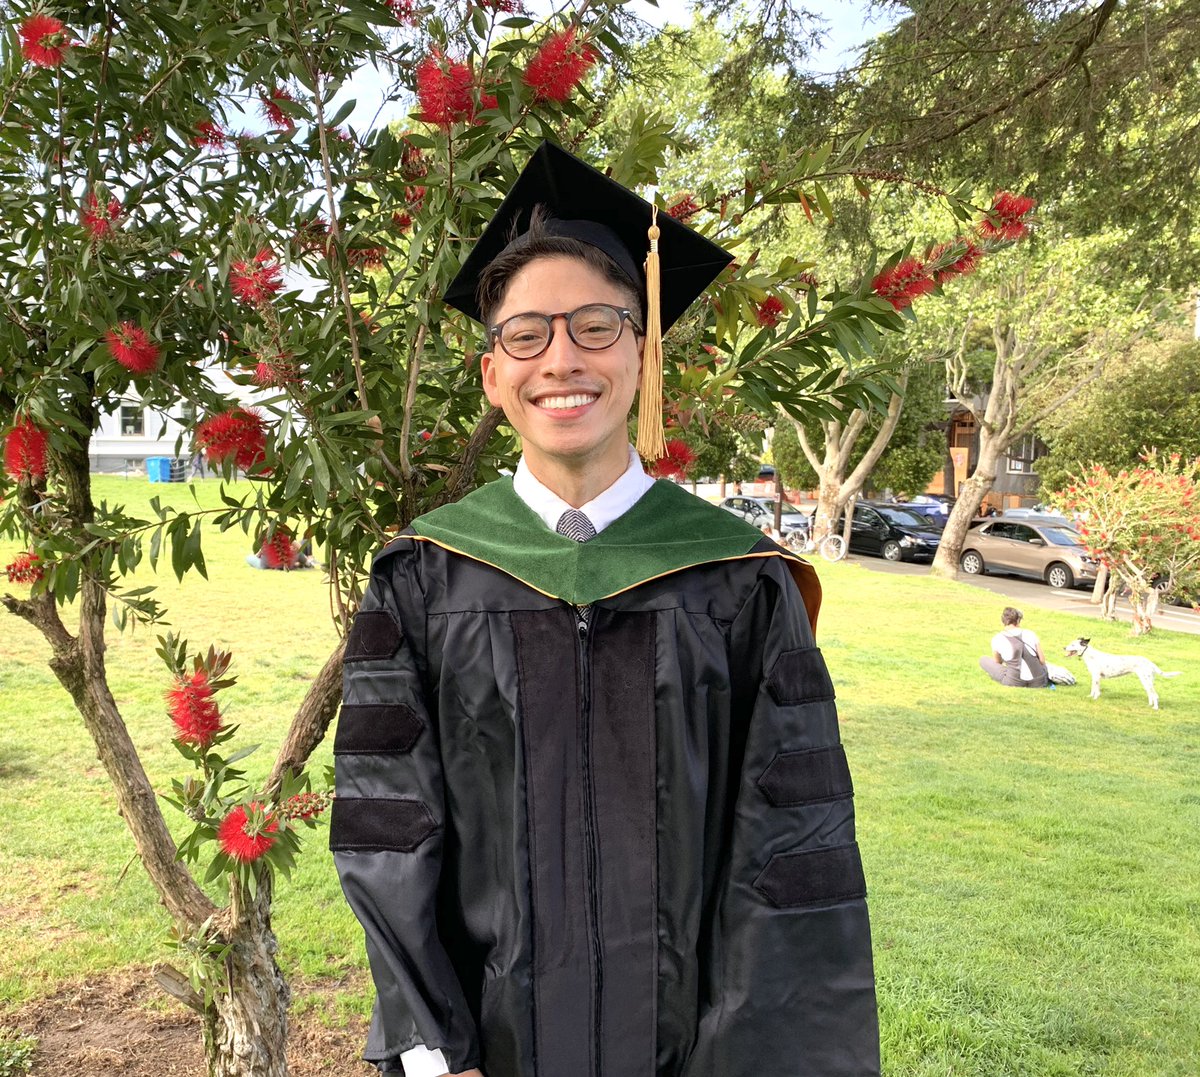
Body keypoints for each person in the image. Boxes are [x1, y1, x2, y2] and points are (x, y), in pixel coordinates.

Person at [331, 142, 878, 1077]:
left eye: (595, 325)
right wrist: (432, 1051)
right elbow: (388, 826)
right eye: (526, 334)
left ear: (642, 347)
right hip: (483, 1053)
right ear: (493, 372)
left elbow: (791, 849)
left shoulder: (741, 581)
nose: (561, 359)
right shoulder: (423, 579)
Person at [979, 606, 1050, 688]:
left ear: (1003, 621)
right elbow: (1042, 660)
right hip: (1039, 681)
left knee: (983, 659)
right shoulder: (1030, 633)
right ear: (1018, 620)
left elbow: (998, 662)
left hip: (1014, 681)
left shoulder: (997, 638)